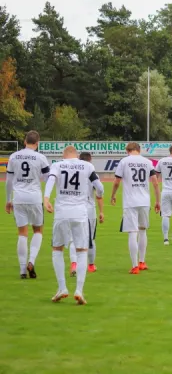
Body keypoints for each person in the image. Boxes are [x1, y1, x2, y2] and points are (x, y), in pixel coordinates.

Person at [43, 146, 104, 305]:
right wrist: (99, 195)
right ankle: (79, 290)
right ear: (76, 155)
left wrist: (46, 198)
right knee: (82, 250)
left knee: (57, 249)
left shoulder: (58, 165)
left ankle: (62, 287)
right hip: (80, 212)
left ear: (64, 155)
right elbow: (100, 187)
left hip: (62, 212)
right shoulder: (87, 166)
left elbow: (50, 180)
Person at [111, 142, 161, 274]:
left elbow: (116, 181)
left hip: (130, 202)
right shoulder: (147, 162)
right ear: (139, 150)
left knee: (133, 232)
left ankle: (134, 266)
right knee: (143, 231)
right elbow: (155, 182)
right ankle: (142, 262)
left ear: (128, 150)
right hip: (145, 201)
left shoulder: (124, 161)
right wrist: (157, 200)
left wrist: (113, 195)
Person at [5, 130, 50, 279]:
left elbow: (9, 181)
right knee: (38, 230)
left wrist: (8, 200)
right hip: (34, 197)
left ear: (24, 141)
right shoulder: (40, 157)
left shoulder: (13, 156)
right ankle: (31, 260)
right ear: (37, 144)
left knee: (22, 233)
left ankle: (23, 270)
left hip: (18, 198)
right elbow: (47, 177)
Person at [69, 152, 105, 275]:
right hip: (89, 208)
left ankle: (74, 263)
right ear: (90, 160)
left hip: (73, 207)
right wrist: (101, 209)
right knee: (90, 238)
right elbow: (100, 188)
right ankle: (91, 265)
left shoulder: (72, 171)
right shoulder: (91, 171)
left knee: (74, 237)